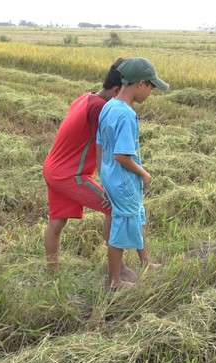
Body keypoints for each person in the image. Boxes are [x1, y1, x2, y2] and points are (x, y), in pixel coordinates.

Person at [43, 58, 135, 282]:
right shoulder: (101, 109)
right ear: (116, 90)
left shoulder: (85, 98)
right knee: (113, 208)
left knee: (56, 223)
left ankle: (52, 275)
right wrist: (108, 186)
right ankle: (118, 269)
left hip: (53, 168)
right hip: (70, 175)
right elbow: (104, 149)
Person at [97, 57, 168, 290]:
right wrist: (144, 174)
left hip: (111, 175)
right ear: (140, 84)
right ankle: (115, 282)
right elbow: (122, 155)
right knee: (122, 224)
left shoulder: (109, 106)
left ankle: (145, 262)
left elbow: (101, 145)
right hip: (124, 179)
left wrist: (102, 173)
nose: (150, 92)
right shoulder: (126, 114)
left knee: (137, 216)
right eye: (151, 87)